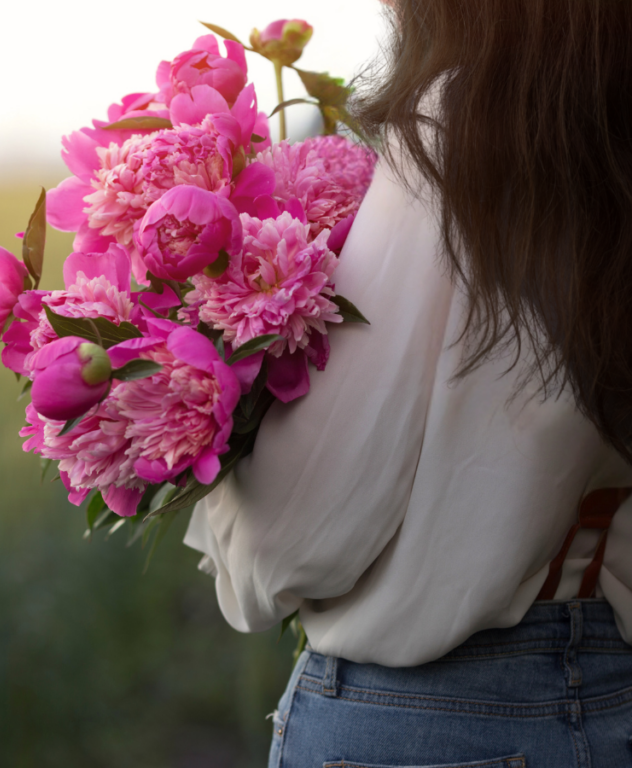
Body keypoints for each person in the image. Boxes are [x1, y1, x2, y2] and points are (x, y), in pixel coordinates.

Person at [183, 1, 632, 765]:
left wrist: (230, 529)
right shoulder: (606, 135)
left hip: (438, 717)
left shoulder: (467, 121)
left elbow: (304, 531)